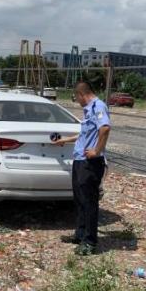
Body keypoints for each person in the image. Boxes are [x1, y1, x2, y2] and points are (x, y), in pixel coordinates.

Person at [52, 81, 111, 255]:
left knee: (89, 202)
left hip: (90, 163)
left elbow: (105, 128)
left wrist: (96, 151)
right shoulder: (89, 110)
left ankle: (90, 242)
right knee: (79, 200)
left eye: (77, 98)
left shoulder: (98, 107)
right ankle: (80, 234)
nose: (77, 102)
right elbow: (85, 133)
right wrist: (65, 140)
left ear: (81, 95)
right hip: (80, 161)